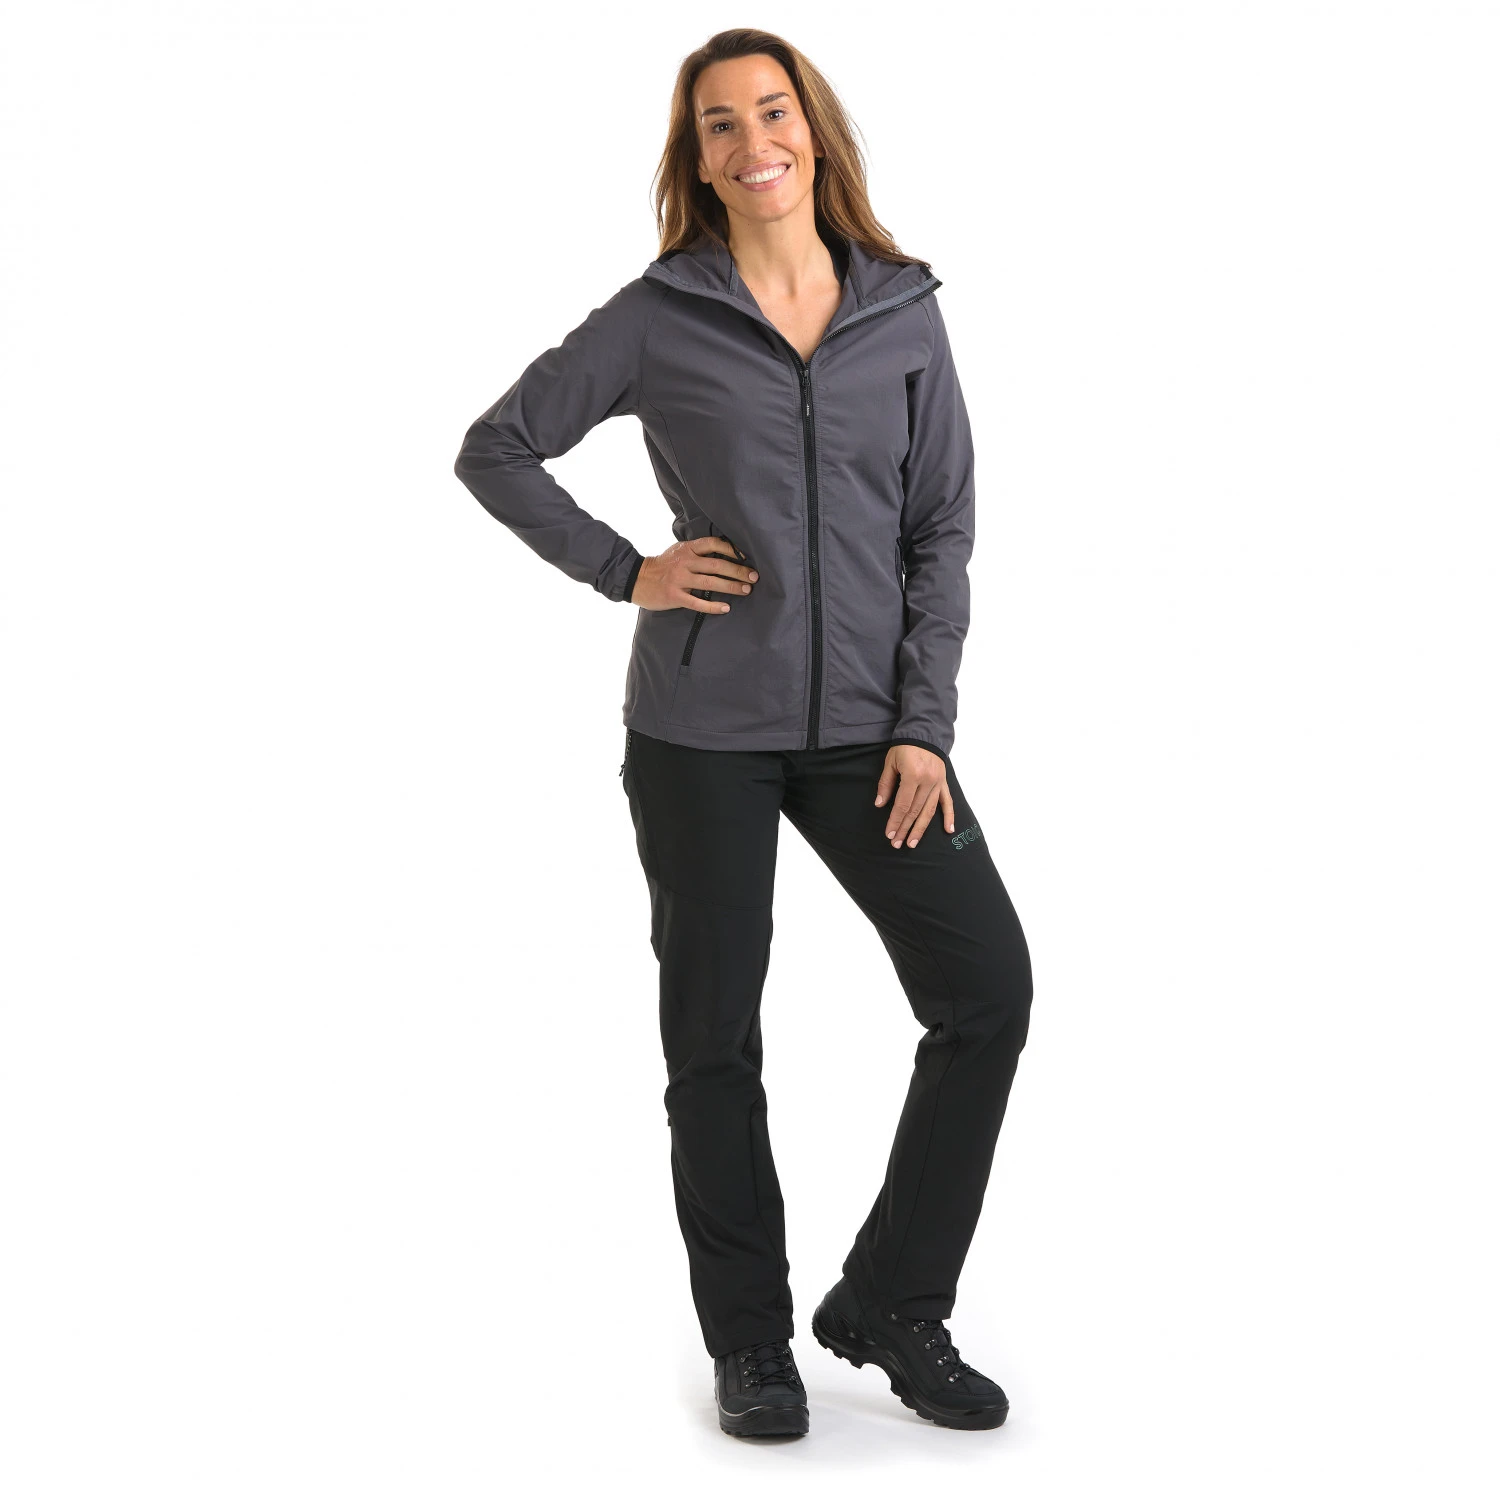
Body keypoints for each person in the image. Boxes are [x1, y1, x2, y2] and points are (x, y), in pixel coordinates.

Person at [453, 28, 1033, 1439]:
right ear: (698, 158)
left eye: (773, 112)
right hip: (702, 730)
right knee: (714, 1039)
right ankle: (752, 1345)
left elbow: (941, 528)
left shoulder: (901, 309)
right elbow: (497, 447)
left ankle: (891, 1302)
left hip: (873, 736)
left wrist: (925, 724)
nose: (753, 141)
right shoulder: (662, 315)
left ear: (813, 131)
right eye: (720, 124)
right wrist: (626, 571)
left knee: (987, 991)